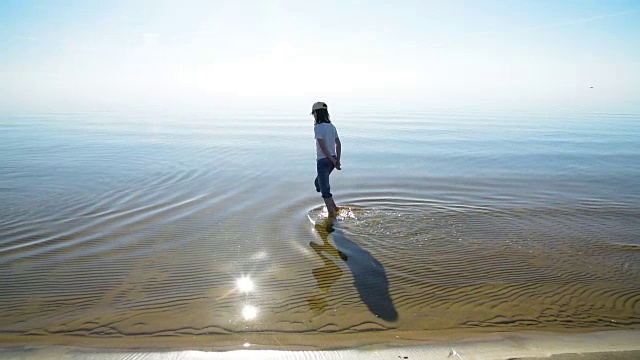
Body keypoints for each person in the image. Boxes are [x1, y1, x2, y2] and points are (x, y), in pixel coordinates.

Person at [311, 101, 341, 216]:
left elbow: (323, 147)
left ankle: (332, 217)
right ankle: (335, 208)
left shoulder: (318, 127)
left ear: (316, 113)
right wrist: (337, 160)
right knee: (318, 183)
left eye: (314, 113)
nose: (313, 115)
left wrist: (334, 161)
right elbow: (338, 143)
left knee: (325, 191)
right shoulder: (332, 126)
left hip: (324, 161)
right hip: (331, 160)